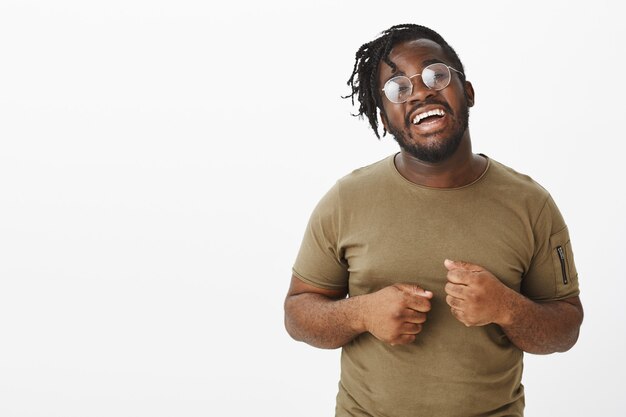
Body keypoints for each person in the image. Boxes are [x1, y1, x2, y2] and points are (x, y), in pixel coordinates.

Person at [284, 23, 583, 417]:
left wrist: (506, 308)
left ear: (468, 92)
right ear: (385, 118)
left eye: (436, 75)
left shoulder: (532, 205)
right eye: (398, 89)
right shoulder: (345, 200)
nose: (421, 91)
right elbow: (297, 312)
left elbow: (566, 328)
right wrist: (361, 313)